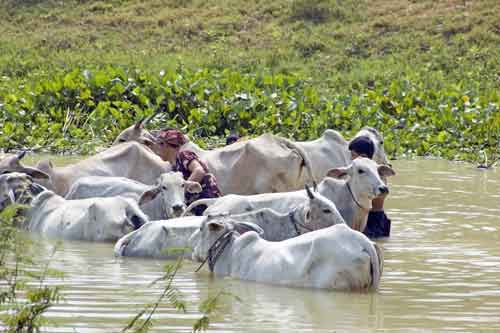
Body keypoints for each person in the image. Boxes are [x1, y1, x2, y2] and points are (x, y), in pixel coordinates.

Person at [155, 129, 222, 215]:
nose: (158, 150)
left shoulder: (183, 155)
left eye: (160, 145)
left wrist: (183, 188)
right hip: (197, 206)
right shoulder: (174, 168)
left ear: (166, 146)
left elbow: (199, 171)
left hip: (207, 201)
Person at [348, 136, 391, 238]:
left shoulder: (374, 174)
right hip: (373, 218)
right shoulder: (365, 172)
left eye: (353, 155)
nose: (351, 158)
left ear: (362, 156)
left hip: (373, 220)